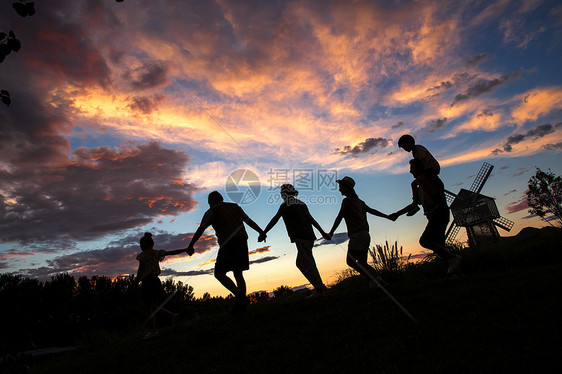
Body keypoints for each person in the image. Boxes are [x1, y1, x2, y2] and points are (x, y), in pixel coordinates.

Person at [186, 191, 265, 313]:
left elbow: (201, 228)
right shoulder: (235, 206)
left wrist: (191, 245)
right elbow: (248, 221)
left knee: (219, 273)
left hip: (228, 242)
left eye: (209, 203)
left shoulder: (212, 211)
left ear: (212, 201)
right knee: (238, 273)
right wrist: (261, 231)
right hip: (242, 240)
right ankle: (242, 307)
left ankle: (240, 297)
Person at [389, 159, 462, 275]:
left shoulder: (432, 180)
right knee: (440, 247)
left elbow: (434, 194)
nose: (410, 171)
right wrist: (397, 214)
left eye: (413, 168)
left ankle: (454, 259)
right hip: (432, 216)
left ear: (420, 168)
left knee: (425, 240)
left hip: (439, 213)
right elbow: (414, 205)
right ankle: (456, 273)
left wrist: (421, 180)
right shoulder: (418, 188)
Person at [259, 184, 330, 298]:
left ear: (284, 194)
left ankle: (320, 289)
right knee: (301, 263)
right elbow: (311, 219)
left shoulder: (285, 205)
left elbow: (275, 219)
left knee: (308, 262)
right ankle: (319, 287)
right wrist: (322, 233)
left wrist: (264, 232)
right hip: (309, 236)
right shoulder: (302, 204)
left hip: (301, 237)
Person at [327, 176, 393, 288]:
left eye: (341, 186)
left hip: (357, 236)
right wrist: (387, 216)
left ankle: (374, 279)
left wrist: (331, 232)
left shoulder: (346, 201)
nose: (339, 189)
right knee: (362, 263)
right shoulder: (360, 202)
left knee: (350, 261)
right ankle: (379, 281)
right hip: (365, 235)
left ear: (347, 188)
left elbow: (339, 217)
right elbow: (372, 211)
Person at [134, 232, 186, 339]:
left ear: (146, 244)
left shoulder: (143, 256)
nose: (140, 246)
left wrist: (136, 282)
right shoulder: (157, 253)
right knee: (154, 307)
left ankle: (153, 331)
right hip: (156, 281)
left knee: (148, 308)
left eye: (141, 244)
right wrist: (185, 250)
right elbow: (172, 253)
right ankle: (172, 315)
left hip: (148, 281)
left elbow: (141, 270)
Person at [398, 134, 441, 217]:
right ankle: (415, 204)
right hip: (427, 170)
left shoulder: (418, 149)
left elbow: (421, 163)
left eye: (404, 146)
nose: (405, 149)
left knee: (418, 182)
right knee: (416, 184)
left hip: (430, 169)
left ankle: (426, 204)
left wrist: (420, 174)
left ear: (410, 142)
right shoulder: (415, 151)